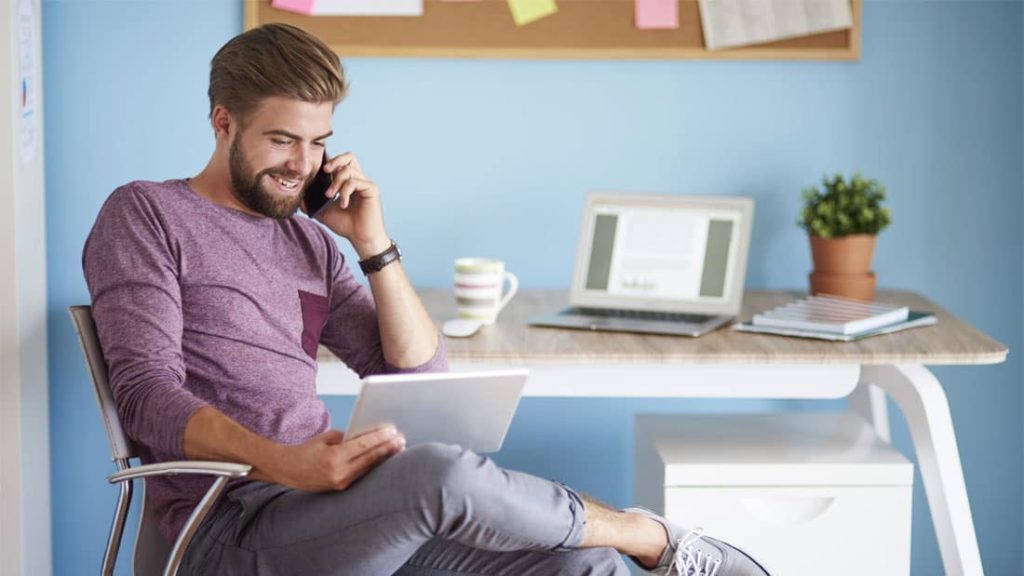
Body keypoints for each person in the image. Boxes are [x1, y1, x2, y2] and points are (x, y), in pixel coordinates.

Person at [82, 23, 770, 576]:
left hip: (333, 516)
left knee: (580, 562)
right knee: (440, 475)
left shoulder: (311, 244)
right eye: (282, 140)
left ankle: (629, 545)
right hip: (225, 529)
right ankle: (650, 536)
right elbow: (148, 394)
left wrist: (373, 245)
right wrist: (284, 459)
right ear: (222, 122)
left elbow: (417, 377)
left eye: (318, 143)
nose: (302, 166)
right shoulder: (147, 215)